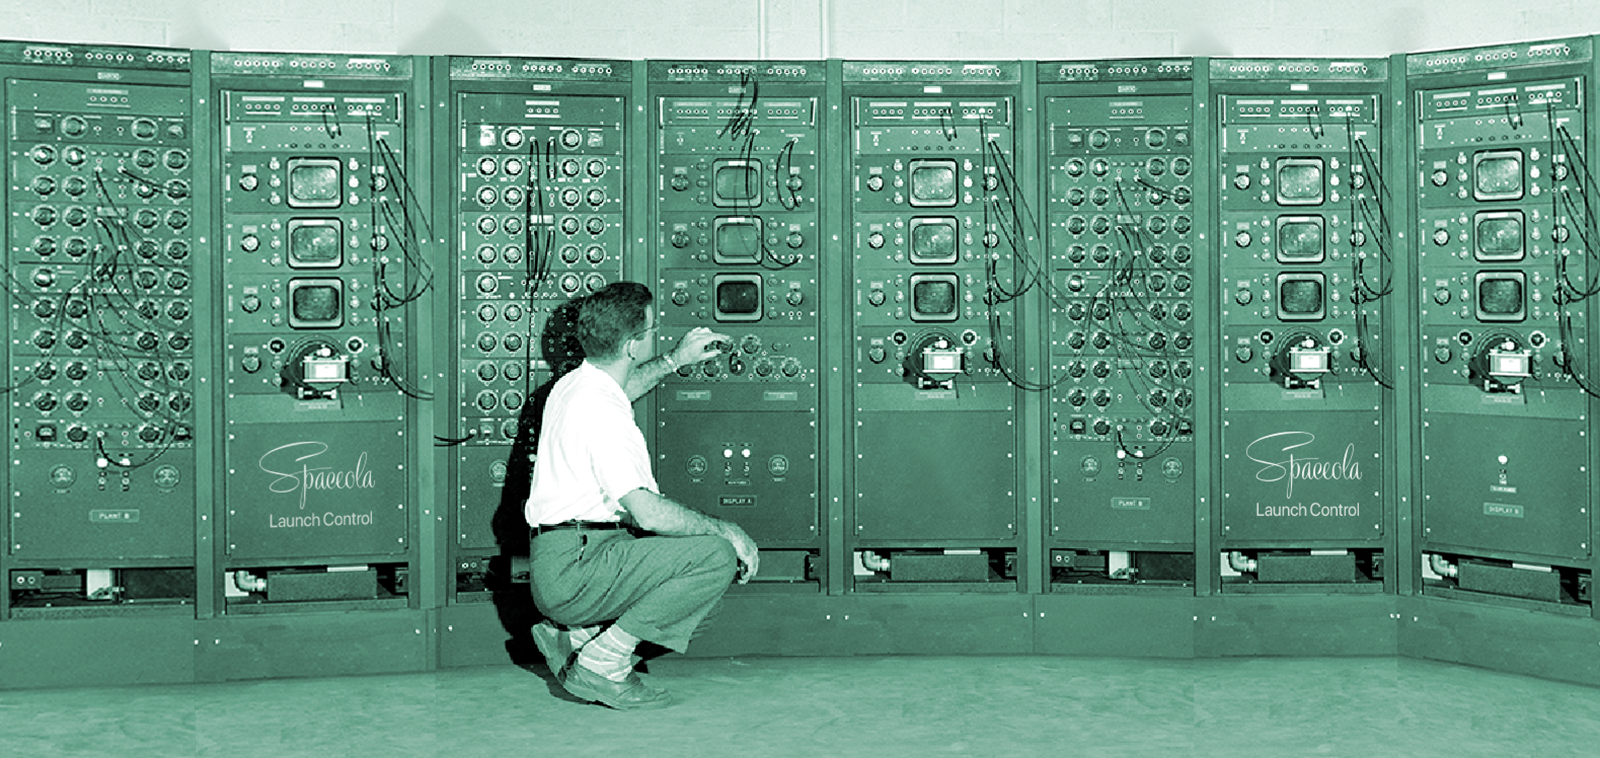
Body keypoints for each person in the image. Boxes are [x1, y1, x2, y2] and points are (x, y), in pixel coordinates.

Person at [525, 281, 760, 710]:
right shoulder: (602, 414)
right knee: (715, 559)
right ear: (633, 345)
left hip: (564, 557)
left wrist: (675, 360)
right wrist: (727, 530)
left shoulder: (577, 385)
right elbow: (647, 514)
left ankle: (578, 642)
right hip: (578, 568)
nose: (654, 338)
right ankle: (602, 665)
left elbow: (624, 389)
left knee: (693, 607)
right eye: (652, 332)